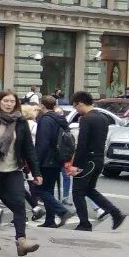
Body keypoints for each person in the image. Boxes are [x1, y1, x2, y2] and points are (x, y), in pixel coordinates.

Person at [0, 90, 42, 256]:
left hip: (13, 169)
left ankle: (21, 240)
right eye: (6, 101)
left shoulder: (20, 121)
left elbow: (28, 148)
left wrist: (36, 172)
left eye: (12, 101)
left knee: (19, 203)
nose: (9, 104)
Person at [69, 91, 126, 231]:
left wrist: (75, 165)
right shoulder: (102, 117)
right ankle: (115, 213)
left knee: (77, 192)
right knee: (89, 189)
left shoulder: (87, 119)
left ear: (80, 103)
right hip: (98, 159)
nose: (76, 110)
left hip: (87, 160)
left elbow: (82, 144)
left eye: (75, 107)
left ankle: (84, 223)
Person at [32, 95, 74, 228]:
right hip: (58, 159)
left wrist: (36, 162)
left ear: (42, 106)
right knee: (49, 190)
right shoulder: (60, 119)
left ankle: (62, 211)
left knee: (39, 189)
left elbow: (42, 143)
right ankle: (49, 220)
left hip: (46, 160)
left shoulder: (45, 120)